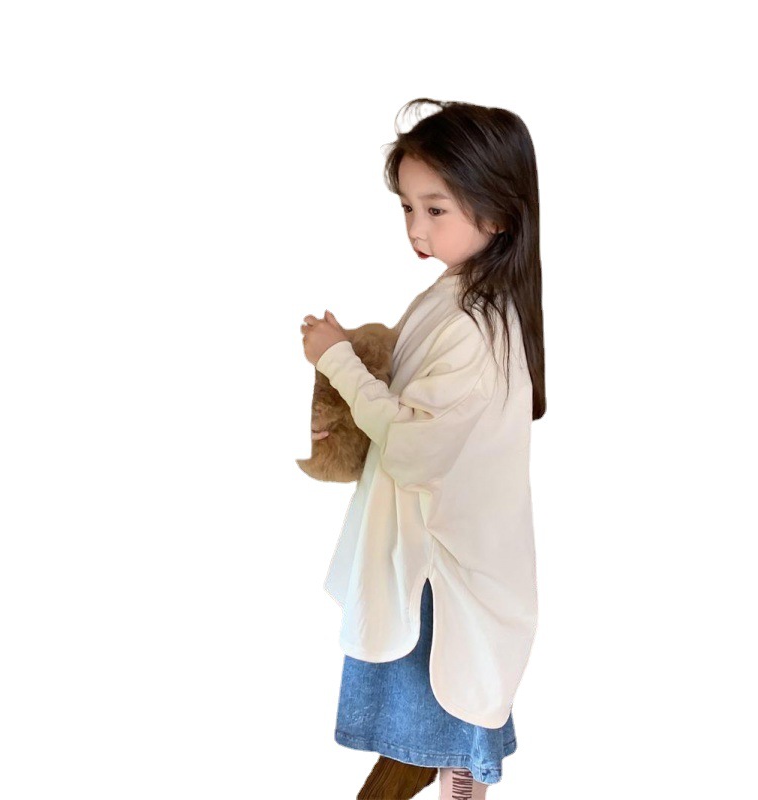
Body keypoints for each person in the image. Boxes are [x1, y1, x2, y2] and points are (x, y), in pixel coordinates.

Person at [301, 98, 546, 798]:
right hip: (428, 559)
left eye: (436, 209)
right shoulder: (459, 295)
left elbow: (413, 445)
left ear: (498, 214)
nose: (416, 228)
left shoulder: (475, 324)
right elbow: (413, 410)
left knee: (426, 736)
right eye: (408, 208)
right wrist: (348, 400)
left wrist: (339, 361)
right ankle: (462, 776)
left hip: (435, 573)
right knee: (437, 739)